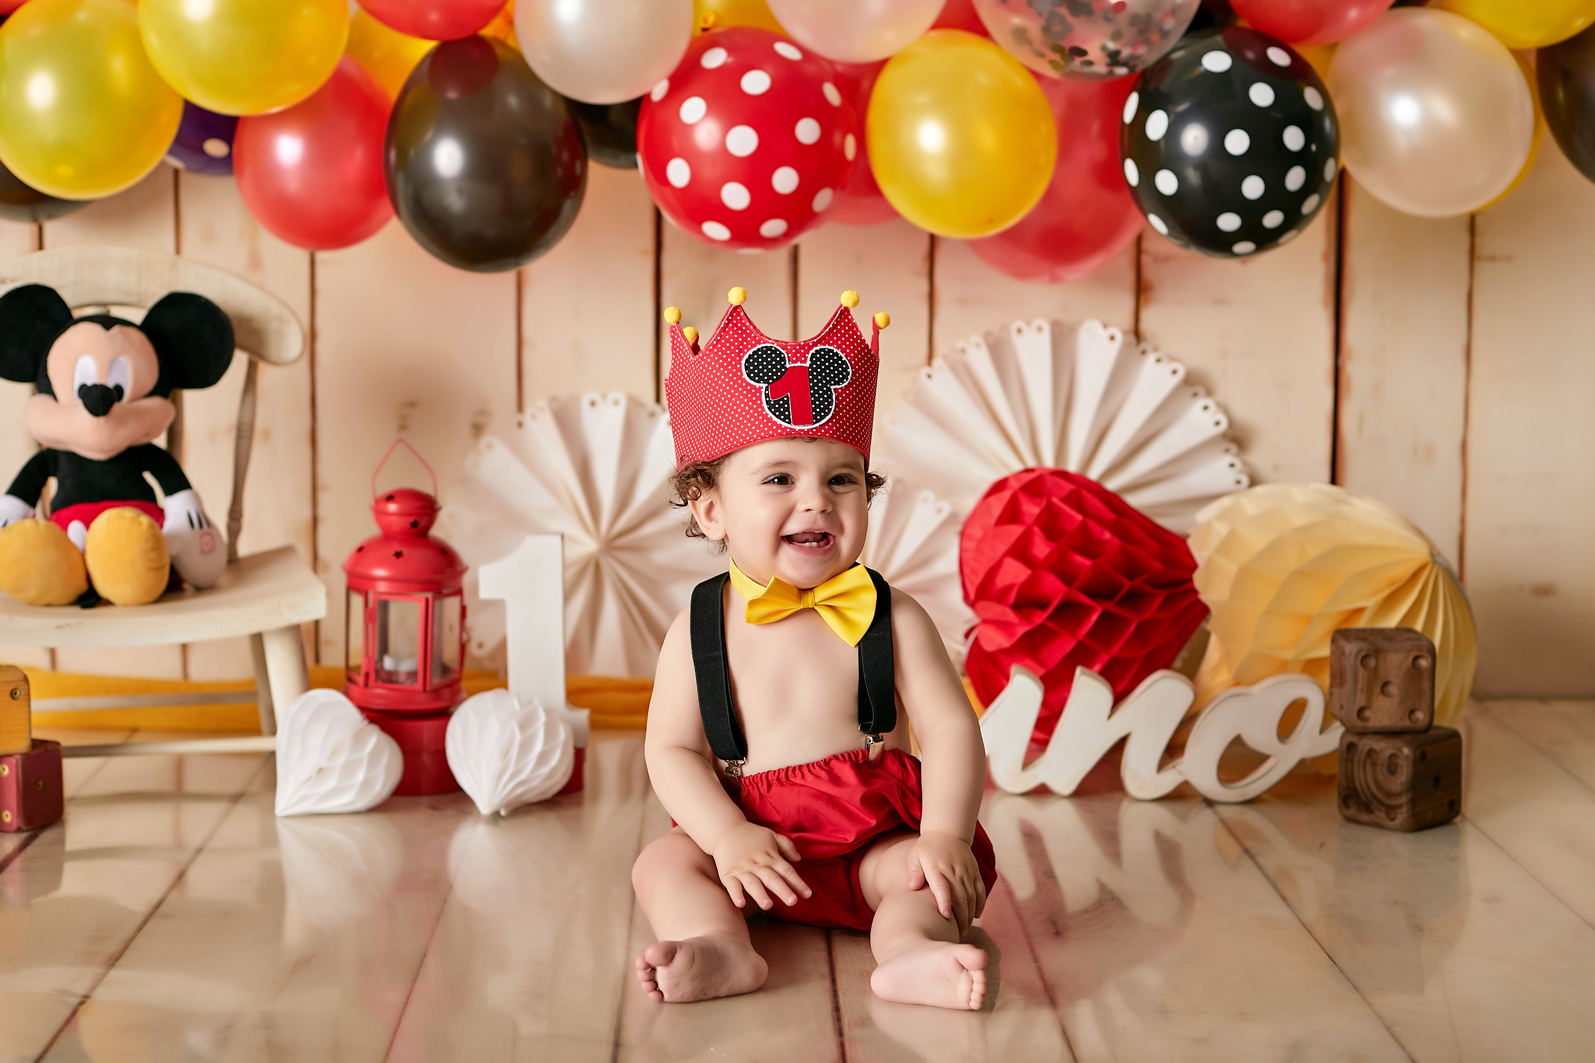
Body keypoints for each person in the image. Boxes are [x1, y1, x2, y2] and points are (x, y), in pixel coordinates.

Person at [631, 287, 997, 1011]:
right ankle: (720, 944)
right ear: (712, 510)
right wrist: (725, 835)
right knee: (663, 864)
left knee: (923, 880)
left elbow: (952, 728)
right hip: (752, 848)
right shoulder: (698, 626)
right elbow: (671, 751)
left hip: (873, 841)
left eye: (841, 479)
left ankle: (910, 951)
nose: (817, 500)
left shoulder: (893, 615)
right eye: (779, 479)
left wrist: (944, 834)